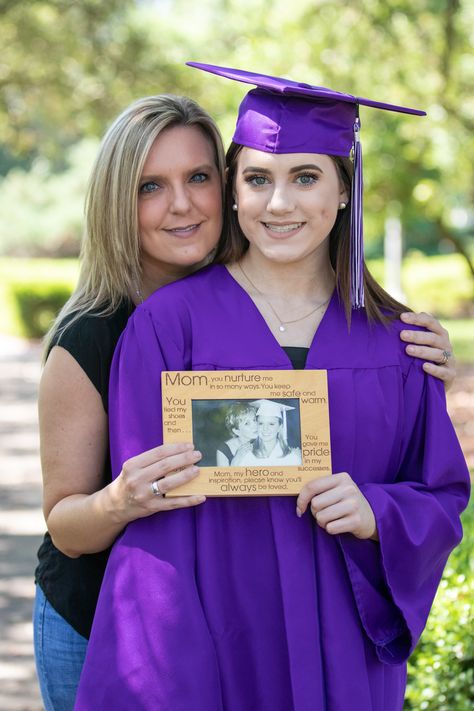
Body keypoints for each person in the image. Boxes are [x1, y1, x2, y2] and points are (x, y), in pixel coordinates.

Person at [33, 89, 453, 711]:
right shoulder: (154, 328)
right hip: (209, 647)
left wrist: (379, 513)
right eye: (258, 178)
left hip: (342, 641)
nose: (279, 201)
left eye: (306, 176)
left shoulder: (398, 345)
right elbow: (148, 541)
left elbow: (439, 496)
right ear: (239, 191)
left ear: (346, 189)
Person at [33, 93, 226, 711]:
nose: (181, 204)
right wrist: (120, 500)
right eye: (150, 186)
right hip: (94, 626)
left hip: (216, 626)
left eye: (199, 177)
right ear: (118, 203)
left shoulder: (253, 313)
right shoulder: (88, 336)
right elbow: (65, 526)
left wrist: (415, 349)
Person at [231, 399, 302, 465]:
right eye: (261, 423)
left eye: (271, 424)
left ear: (280, 427)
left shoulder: (293, 457)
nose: (265, 429)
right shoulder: (244, 456)